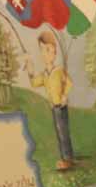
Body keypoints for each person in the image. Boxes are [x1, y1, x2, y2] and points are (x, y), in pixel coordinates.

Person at [26, 31, 75, 171]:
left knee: (63, 132)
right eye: (42, 50)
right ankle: (67, 157)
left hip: (61, 106)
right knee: (60, 133)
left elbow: (69, 83)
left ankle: (67, 159)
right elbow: (34, 83)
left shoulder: (59, 71)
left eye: (48, 49)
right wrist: (30, 70)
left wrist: (64, 95)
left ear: (54, 52)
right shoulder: (45, 75)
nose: (46, 53)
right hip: (54, 107)